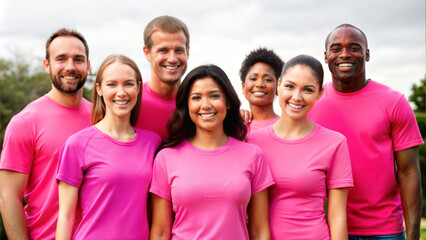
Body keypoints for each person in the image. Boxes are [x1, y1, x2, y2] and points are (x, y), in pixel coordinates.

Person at [309, 24, 423, 239]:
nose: (344, 54)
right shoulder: (312, 102)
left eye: (354, 47)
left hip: (385, 229)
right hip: (329, 229)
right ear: (326, 56)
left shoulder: (394, 102)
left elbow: (408, 171)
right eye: (336, 48)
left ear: (367, 54)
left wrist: (414, 234)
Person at [149, 65, 274, 240]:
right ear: (187, 104)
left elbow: (260, 231)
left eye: (214, 96)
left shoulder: (253, 155)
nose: (206, 105)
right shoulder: (166, 158)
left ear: (228, 102)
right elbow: (160, 232)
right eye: (196, 97)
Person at [55, 54, 161, 239]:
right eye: (112, 84)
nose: (121, 92)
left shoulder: (153, 144)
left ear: (138, 87)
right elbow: (66, 217)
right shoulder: (78, 144)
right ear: (99, 89)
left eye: (128, 84)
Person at [248, 55, 353, 239]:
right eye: (289, 86)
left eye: (308, 90)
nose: (297, 97)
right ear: (278, 86)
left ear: (319, 93)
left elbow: (337, 216)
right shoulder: (252, 141)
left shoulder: (334, 143)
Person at [0, 28, 91, 240]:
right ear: (47, 66)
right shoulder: (25, 122)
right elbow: (8, 197)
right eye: (61, 59)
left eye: (78, 59)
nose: (70, 67)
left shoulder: (101, 118)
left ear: (87, 66)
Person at [135, 15, 190, 141]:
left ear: (188, 52)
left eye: (179, 50)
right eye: (163, 50)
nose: (172, 59)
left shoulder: (198, 105)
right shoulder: (131, 102)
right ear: (147, 53)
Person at [239, 47, 284, 132]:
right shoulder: (234, 126)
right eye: (253, 78)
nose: (260, 84)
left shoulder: (287, 126)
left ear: (278, 87)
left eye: (268, 79)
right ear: (243, 85)